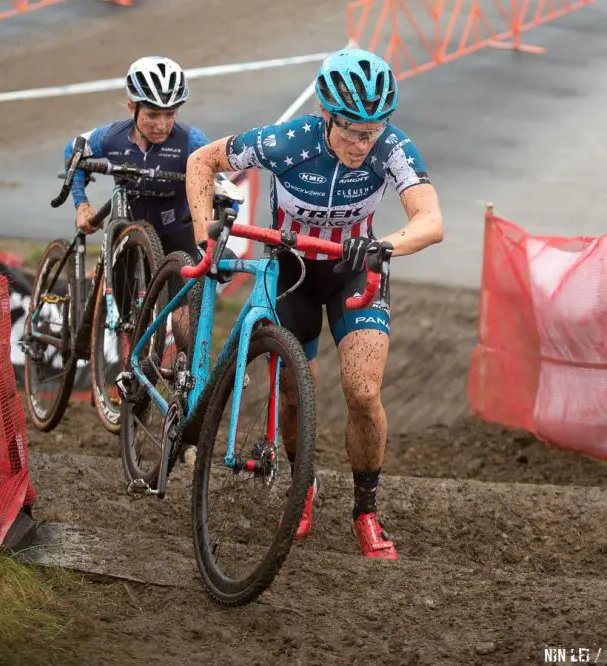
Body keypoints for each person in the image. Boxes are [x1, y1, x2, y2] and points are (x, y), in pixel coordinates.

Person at [185, 47, 444, 560]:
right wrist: (204, 239)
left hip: (352, 267)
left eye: (372, 130)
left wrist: (384, 244)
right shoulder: (287, 142)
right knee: (293, 392)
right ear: (325, 114)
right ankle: (302, 488)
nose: (360, 142)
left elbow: (430, 221)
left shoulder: (391, 147)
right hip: (290, 270)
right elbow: (202, 161)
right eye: (350, 129)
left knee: (363, 392)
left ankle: (365, 511)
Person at [64, 55, 208, 259]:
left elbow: (219, 184)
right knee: (115, 290)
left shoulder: (191, 140)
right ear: (132, 107)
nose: (162, 125)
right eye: (152, 114)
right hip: (126, 234)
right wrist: (82, 204)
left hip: (176, 235)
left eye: (170, 114)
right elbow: (72, 151)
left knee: (193, 286)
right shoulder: (110, 137)